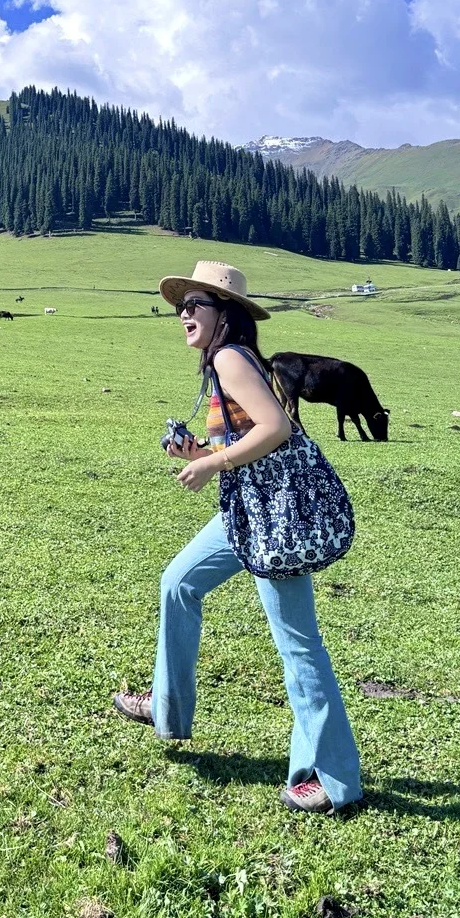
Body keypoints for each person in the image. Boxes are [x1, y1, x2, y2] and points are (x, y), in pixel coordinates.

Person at [113, 260, 362, 814]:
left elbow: (276, 428)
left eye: (194, 305)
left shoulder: (229, 358)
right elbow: (251, 438)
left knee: (299, 645)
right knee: (178, 583)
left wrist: (212, 463)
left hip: (273, 516)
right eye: (181, 307)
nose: (183, 315)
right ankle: (167, 706)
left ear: (223, 313)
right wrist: (202, 453)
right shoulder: (228, 361)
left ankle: (335, 780)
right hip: (246, 509)